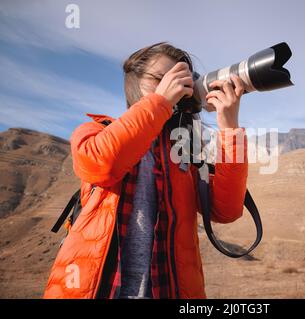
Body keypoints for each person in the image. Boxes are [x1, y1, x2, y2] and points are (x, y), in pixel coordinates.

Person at [43, 42, 248, 299]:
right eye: (162, 79)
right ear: (135, 84)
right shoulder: (95, 131)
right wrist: (160, 101)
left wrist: (230, 129)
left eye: (181, 80)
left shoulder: (184, 151)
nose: (175, 86)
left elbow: (226, 211)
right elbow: (101, 165)